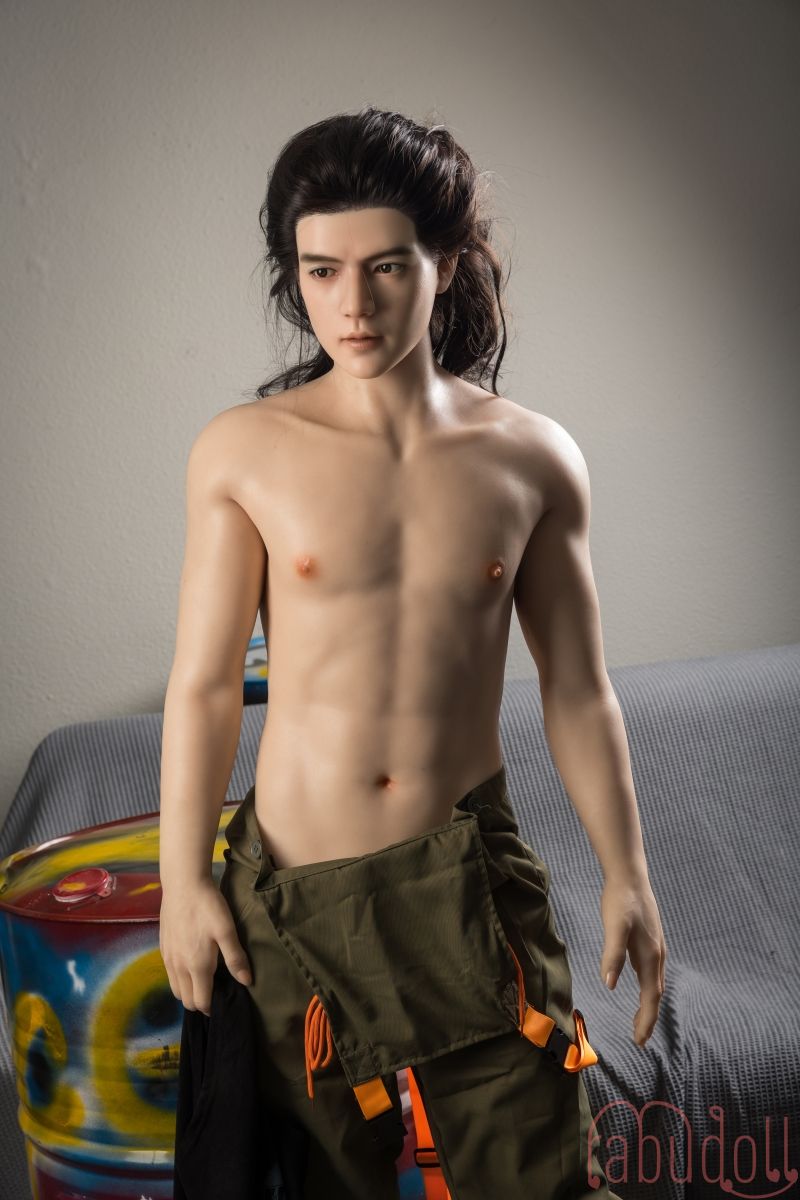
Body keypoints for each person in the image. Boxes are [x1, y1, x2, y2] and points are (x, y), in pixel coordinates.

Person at [159, 105, 667, 1199]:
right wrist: (181, 881)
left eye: (386, 267)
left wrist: (626, 870)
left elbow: (577, 688)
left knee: (542, 1178)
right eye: (321, 271)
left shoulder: (530, 458)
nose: (352, 304)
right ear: (293, 275)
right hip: (291, 899)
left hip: (468, 880)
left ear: (447, 263)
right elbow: (203, 687)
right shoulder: (243, 453)